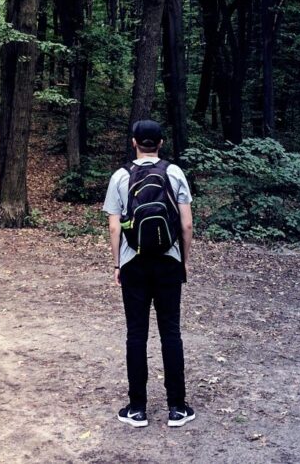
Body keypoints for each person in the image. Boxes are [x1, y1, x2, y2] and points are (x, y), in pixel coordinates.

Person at [103, 119, 195, 428]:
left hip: (134, 263)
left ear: (133, 143)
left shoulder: (120, 176)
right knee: (171, 331)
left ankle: (137, 408)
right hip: (168, 260)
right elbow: (186, 225)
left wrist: (118, 263)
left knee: (136, 333)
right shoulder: (174, 173)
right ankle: (177, 408)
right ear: (160, 143)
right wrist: (183, 260)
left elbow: (114, 225)